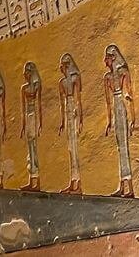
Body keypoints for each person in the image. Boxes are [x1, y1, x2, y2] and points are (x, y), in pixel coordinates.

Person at [103, 45, 136, 197]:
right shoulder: (107, 77)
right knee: (119, 147)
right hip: (117, 109)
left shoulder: (123, 72)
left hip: (122, 108)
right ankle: (122, 186)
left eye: (107, 58)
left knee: (124, 147)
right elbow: (108, 102)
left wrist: (133, 118)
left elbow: (129, 95)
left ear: (113, 58)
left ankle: (130, 187)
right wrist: (109, 121)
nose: (105, 62)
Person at [57, 54, 84, 194]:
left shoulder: (74, 78)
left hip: (73, 110)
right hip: (68, 110)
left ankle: (78, 183)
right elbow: (62, 104)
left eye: (62, 65)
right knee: (70, 148)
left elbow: (78, 100)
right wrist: (62, 121)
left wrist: (80, 118)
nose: (61, 68)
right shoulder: (62, 82)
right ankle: (72, 181)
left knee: (75, 148)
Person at [20, 62, 43, 191]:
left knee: (33, 146)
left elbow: (39, 105)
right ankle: (31, 179)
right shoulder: (24, 88)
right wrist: (23, 125)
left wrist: (39, 122)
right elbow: (23, 109)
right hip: (28, 116)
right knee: (30, 148)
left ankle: (36, 181)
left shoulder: (36, 86)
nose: (25, 75)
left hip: (34, 116)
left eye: (27, 72)